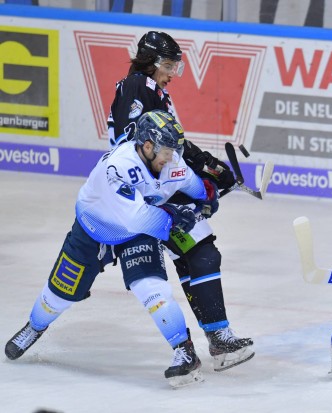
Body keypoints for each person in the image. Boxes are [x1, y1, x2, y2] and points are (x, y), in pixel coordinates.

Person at [5, 110, 207, 387]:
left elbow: (192, 184)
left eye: (173, 151)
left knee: (150, 287)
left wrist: (208, 195)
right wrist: (174, 215)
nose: (171, 157)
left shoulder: (169, 159)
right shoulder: (120, 166)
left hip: (134, 233)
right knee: (59, 294)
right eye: (166, 151)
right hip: (93, 229)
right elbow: (139, 217)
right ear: (147, 146)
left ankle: (185, 351)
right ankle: (35, 327)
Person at [107, 31, 253, 371]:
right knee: (197, 254)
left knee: (196, 255)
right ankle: (209, 341)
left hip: (156, 189)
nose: (173, 73)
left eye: (176, 65)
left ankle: (217, 337)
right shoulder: (136, 87)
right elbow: (145, 144)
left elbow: (173, 144)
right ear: (150, 61)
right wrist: (193, 182)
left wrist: (209, 166)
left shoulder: (152, 90)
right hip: (146, 195)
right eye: (169, 65)